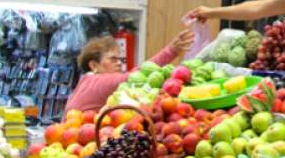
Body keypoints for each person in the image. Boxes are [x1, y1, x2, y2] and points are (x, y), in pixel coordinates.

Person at [65, 29, 195, 113]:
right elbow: (136, 74)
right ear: (94, 65)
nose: (119, 63)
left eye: (120, 59)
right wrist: (171, 51)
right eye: (113, 59)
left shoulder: (86, 81)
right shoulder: (97, 82)